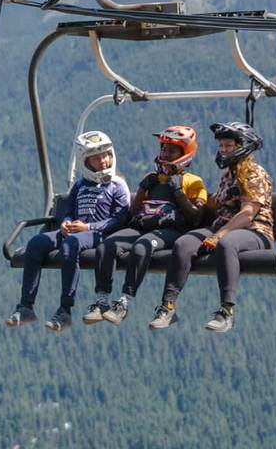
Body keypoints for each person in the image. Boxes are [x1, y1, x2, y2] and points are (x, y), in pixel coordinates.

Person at [148, 121, 274, 333]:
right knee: (184, 243)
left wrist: (219, 235)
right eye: (221, 146)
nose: (223, 150)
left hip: (255, 232)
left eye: (228, 146)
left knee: (226, 244)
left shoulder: (253, 173)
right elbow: (216, 204)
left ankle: (226, 312)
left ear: (243, 145)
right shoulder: (229, 174)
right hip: (222, 227)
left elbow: (247, 214)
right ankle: (167, 307)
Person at [84, 125, 208, 325]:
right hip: (143, 225)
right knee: (107, 245)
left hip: (170, 230)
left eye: (172, 150)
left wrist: (178, 192)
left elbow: (195, 218)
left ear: (185, 153)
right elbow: (132, 213)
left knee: (143, 245)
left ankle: (123, 303)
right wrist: (142, 189)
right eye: (163, 149)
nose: (166, 154)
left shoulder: (193, 182)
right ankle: (101, 301)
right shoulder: (152, 179)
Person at [8, 130, 131, 332]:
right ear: (85, 161)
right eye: (96, 158)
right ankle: (26, 306)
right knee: (35, 243)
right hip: (75, 231)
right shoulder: (80, 185)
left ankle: (65, 310)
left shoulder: (117, 185)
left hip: (99, 234)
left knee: (69, 246)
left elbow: (119, 220)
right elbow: (70, 211)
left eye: (105, 155)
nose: (103, 161)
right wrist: (66, 223)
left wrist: (87, 227)